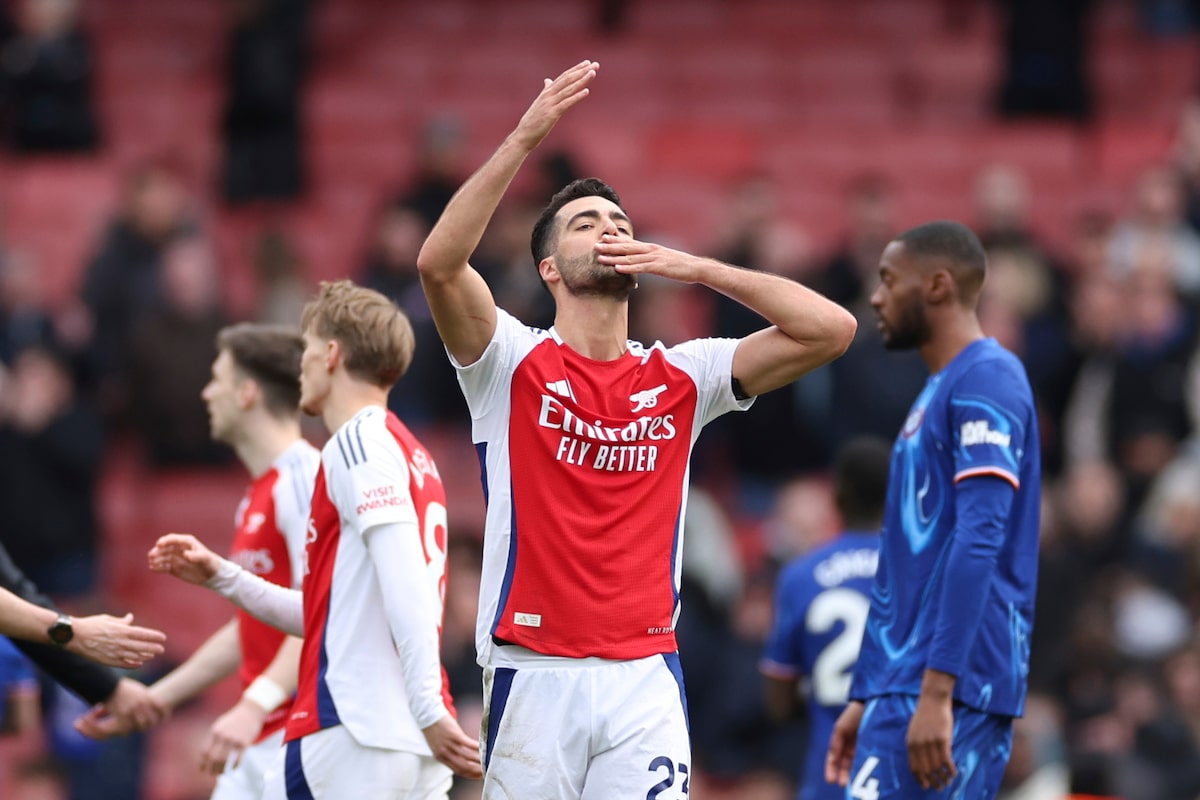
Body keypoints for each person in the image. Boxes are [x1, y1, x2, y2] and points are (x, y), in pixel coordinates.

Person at [415, 59, 858, 798]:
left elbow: (832, 329)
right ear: (551, 267)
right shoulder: (510, 361)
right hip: (534, 670)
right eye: (587, 224)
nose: (611, 231)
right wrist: (524, 138)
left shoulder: (685, 375)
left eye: (620, 222)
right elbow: (438, 263)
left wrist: (698, 268)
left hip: (644, 674)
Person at [144, 280, 482, 797]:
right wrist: (224, 576)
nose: (299, 365)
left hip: (355, 730)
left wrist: (428, 706)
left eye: (305, 349)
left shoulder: (356, 440)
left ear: (330, 353)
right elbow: (329, 615)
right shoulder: (411, 452)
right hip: (403, 738)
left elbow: (404, 578)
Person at [825, 221, 1041, 798]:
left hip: (950, 685)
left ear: (939, 286)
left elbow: (980, 536)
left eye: (890, 281)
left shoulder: (988, 378)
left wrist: (938, 691)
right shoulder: (940, 389)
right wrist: (867, 692)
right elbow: (903, 562)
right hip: (908, 683)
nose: (877, 296)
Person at [77, 323, 320, 799]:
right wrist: (155, 698)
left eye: (218, 378)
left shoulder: (304, 479)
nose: (207, 393)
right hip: (259, 737)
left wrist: (252, 704)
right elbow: (251, 625)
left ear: (248, 393)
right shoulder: (258, 493)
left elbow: (319, 615)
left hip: (300, 737)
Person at [760, 436, 891, 800]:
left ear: (837, 499)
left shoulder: (800, 575)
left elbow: (779, 700)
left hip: (831, 773)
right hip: (903, 773)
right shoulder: (920, 573)